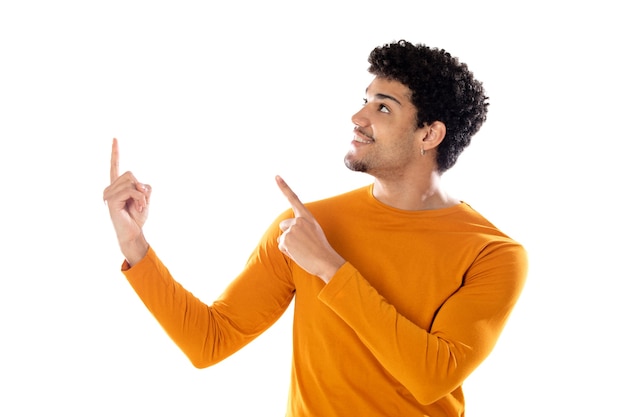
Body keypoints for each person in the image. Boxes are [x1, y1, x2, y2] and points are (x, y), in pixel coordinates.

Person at [103, 40, 527, 417]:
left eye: (383, 107)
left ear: (430, 134)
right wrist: (135, 243)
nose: (357, 116)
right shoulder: (305, 227)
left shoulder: (491, 252)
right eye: (364, 100)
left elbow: (433, 376)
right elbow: (209, 342)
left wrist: (330, 267)